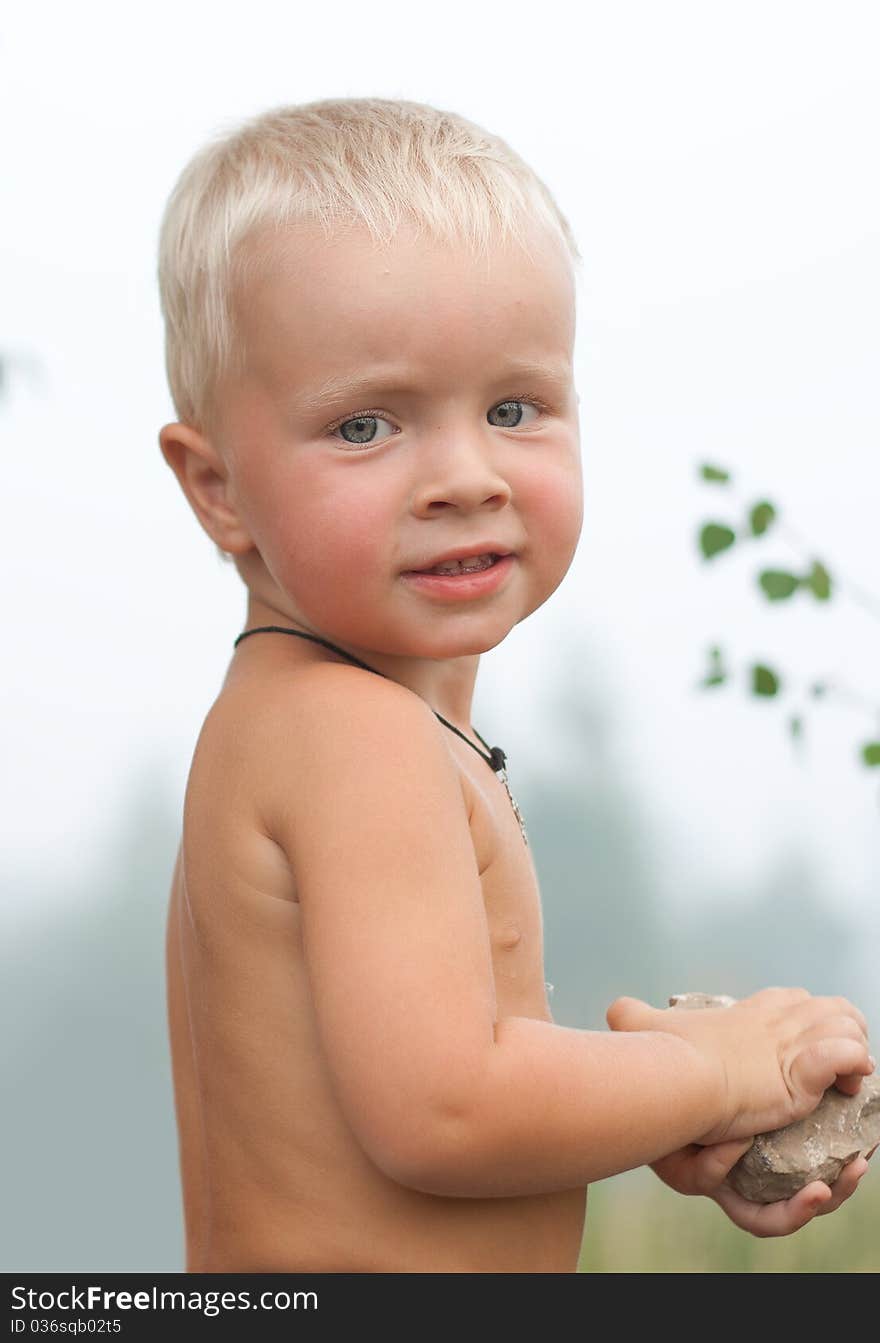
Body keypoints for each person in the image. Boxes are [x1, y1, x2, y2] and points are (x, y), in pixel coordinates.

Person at [156, 97, 874, 1273]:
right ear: (217, 486)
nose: (463, 475)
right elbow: (447, 1109)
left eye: (510, 408)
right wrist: (722, 1066)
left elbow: (447, 1092)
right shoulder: (350, 735)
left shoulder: (305, 718)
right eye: (366, 424)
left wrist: (675, 1109)